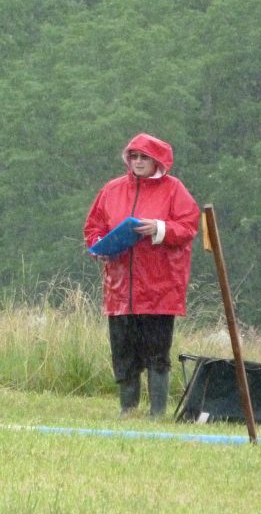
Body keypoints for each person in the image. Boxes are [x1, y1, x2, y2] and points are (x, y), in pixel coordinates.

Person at [83, 133, 200, 417]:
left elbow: (188, 227)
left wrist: (159, 228)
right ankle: (128, 408)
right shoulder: (111, 189)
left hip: (160, 287)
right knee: (123, 351)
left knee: (157, 353)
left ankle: (157, 411)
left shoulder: (174, 190)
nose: (137, 162)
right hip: (120, 288)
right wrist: (99, 247)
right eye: (133, 156)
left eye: (143, 157)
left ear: (156, 160)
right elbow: (93, 227)